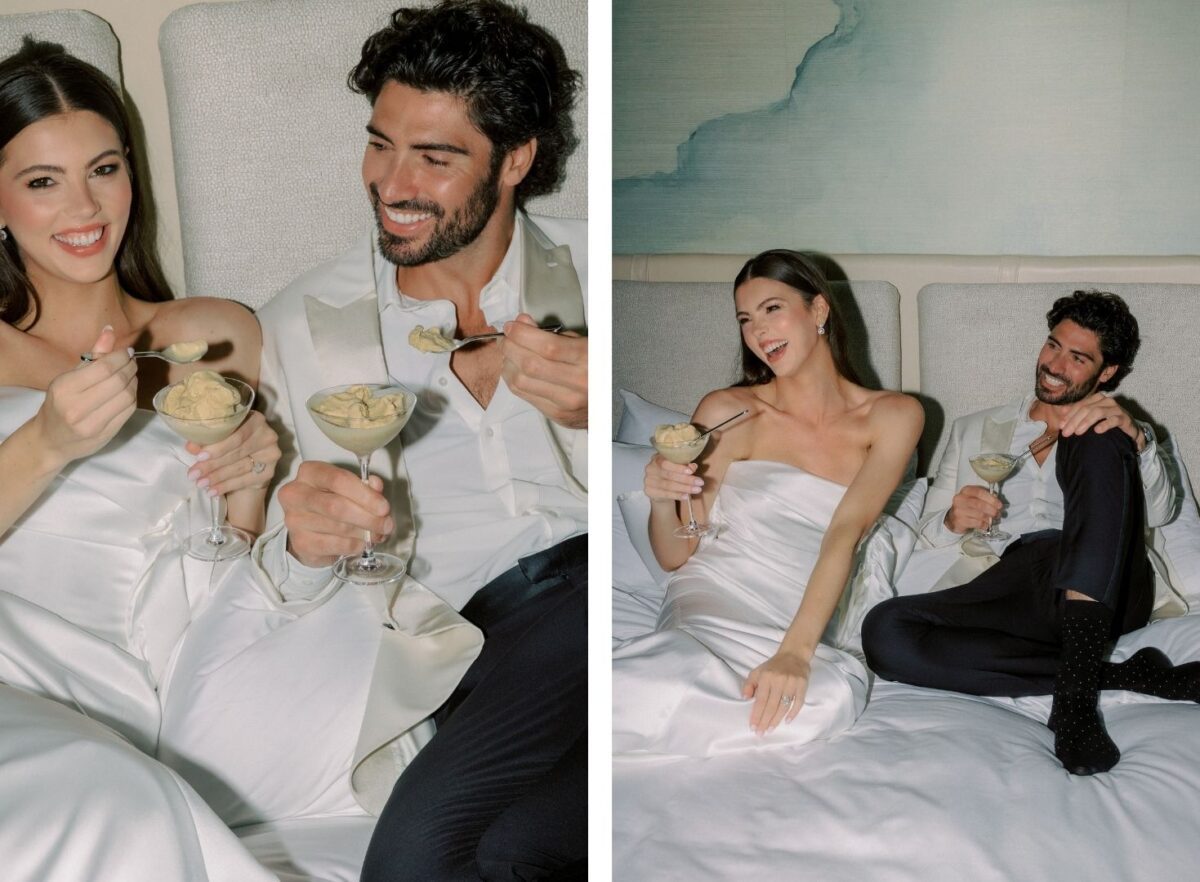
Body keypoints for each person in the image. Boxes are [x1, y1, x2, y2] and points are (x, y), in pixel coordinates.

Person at [0, 39, 372, 879]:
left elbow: (226, 565)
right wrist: (48, 442)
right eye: (42, 181)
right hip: (21, 662)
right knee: (96, 794)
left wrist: (248, 489)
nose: (85, 206)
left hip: (176, 669)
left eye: (104, 168)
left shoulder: (218, 330)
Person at [253, 1, 587, 879]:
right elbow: (273, 570)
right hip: (465, 650)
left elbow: (688, 480)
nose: (392, 184)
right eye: (380, 144)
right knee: (513, 850)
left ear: (515, 160)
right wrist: (301, 543)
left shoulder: (597, 273)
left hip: (601, 598)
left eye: (435, 159)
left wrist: (600, 420)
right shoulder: (300, 324)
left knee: (408, 863)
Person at [863, 290, 1200, 776]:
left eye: (1078, 358)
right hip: (1014, 582)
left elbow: (1164, 512)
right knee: (885, 632)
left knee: (1093, 434)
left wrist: (1140, 440)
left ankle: (1075, 704)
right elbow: (928, 532)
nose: (1055, 365)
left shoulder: (1122, 429)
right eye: (1053, 345)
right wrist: (954, 519)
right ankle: (1121, 674)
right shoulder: (974, 429)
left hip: (1108, 589)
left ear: (1107, 373)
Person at [611, 250, 923, 756]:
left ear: (818, 311)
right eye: (745, 319)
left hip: (805, 609)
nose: (758, 331)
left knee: (826, 697)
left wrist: (796, 654)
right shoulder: (728, 411)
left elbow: (844, 533)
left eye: (772, 309)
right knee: (677, 674)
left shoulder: (893, 416)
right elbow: (675, 555)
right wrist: (662, 498)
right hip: (717, 593)